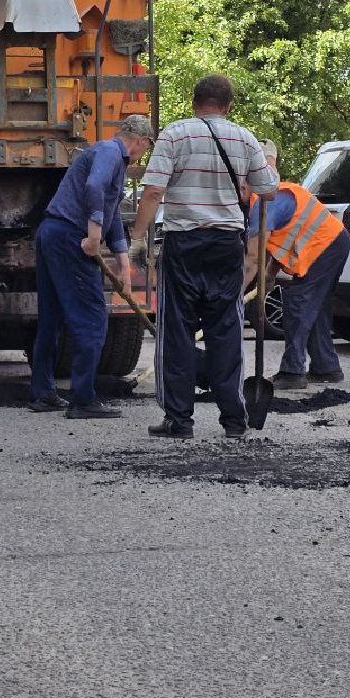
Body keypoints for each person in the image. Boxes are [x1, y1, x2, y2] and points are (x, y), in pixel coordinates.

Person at [130, 74, 278, 439]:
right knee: (226, 330)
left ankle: (179, 421)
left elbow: (153, 192)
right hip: (227, 245)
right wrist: (263, 165)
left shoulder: (175, 134)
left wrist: (138, 239)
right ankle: (234, 421)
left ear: (194, 101)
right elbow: (268, 190)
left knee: (177, 333)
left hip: (184, 244)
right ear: (228, 106)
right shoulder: (244, 138)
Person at [29, 114, 155, 419]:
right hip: (70, 237)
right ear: (141, 141)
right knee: (93, 318)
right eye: (147, 146)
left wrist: (123, 263)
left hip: (52, 232)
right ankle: (82, 400)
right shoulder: (110, 152)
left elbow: (112, 212)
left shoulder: (109, 156)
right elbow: (94, 186)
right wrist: (94, 233)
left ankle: (43, 393)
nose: (145, 152)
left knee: (52, 317)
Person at [244, 140, 350, 389]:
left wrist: (235, 294)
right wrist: (269, 275)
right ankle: (326, 368)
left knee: (298, 304)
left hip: (327, 246)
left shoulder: (266, 202)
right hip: (332, 243)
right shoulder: (267, 199)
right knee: (316, 308)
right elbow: (277, 245)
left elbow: (252, 257)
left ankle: (292, 372)